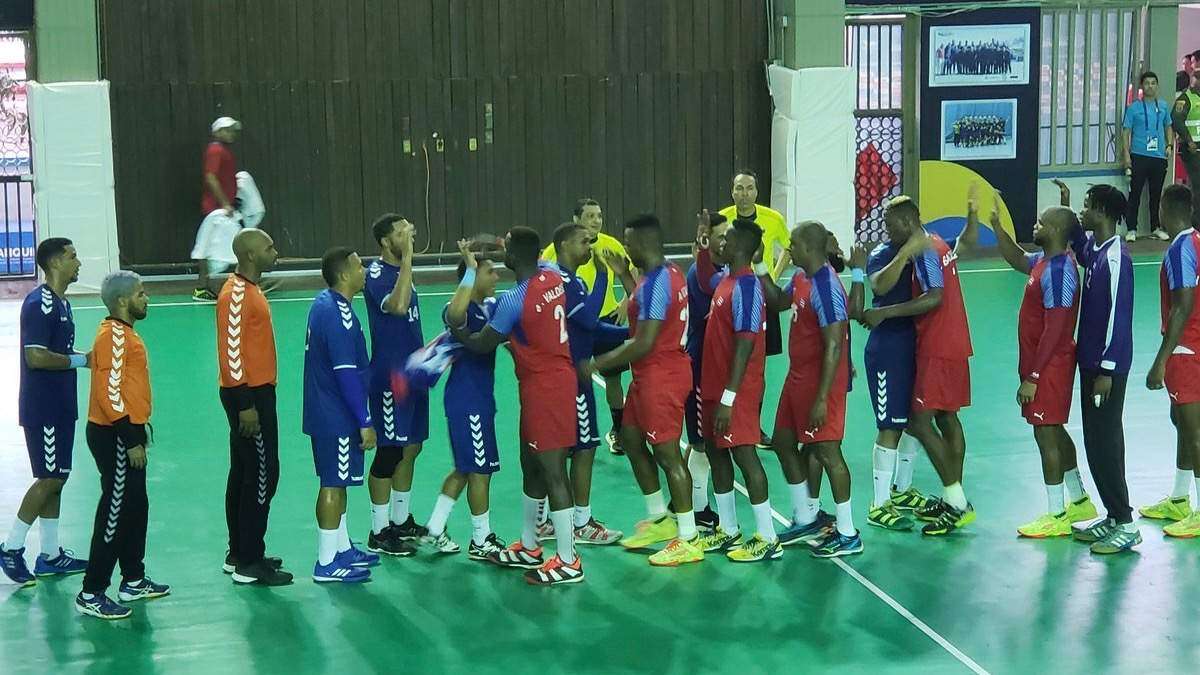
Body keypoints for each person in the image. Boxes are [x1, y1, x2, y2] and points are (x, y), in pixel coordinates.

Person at [452, 227, 583, 585]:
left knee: (553, 471)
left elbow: (481, 343)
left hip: (547, 388)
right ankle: (530, 546)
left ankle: (569, 560)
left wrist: (456, 329)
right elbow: (534, 256)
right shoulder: (552, 275)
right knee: (531, 464)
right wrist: (503, 243)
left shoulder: (513, 300)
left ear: (511, 257)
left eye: (505, 251)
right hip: (541, 384)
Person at [585, 214, 701, 566]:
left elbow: (643, 342)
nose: (625, 247)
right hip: (649, 375)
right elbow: (642, 308)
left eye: (629, 242)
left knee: (667, 455)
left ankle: (689, 538)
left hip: (661, 375)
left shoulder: (655, 284)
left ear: (645, 244)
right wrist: (624, 275)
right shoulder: (665, 273)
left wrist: (596, 364)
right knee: (632, 440)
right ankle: (660, 519)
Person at [861, 196, 976, 536]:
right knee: (947, 417)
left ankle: (957, 502)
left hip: (936, 345)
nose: (886, 230)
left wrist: (884, 312)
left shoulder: (924, 249)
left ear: (908, 222)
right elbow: (964, 245)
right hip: (955, 341)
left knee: (919, 422)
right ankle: (951, 498)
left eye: (890, 224)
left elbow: (935, 296)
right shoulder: (936, 241)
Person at [992, 200, 1099, 537]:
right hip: (1042, 365)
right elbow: (1017, 258)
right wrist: (997, 227)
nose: (1035, 225)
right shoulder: (1044, 261)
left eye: (1041, 222)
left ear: (1054, 231)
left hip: (1050, 367)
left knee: (1045, 434)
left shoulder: (1060, 272)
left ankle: (1056, 514)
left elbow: (1056, 328)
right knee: (1054, 430)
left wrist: (1034, 377)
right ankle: (1079, 500)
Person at [762, 223, 864, 558]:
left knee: (828, 453)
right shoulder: (801, 277)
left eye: (793, 244)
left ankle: (848, 534)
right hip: (797, 377)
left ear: (809, 247)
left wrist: (822, 398)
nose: (789, 248)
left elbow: (834, 344)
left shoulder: (826, 287)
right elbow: (777, 301)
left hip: (821, 383)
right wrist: (759, 264)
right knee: (783, 442)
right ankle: (807, 517)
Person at [1050, 180, 1141, 553]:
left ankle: (1126, 523)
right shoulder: (1097, 250)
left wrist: (1106, 370)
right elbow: (1079, 243)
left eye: (1087, 205)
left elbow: (1120, 317)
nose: (1083, 211)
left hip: (1106, 369)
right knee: (1095, 441)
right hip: (1089, 364)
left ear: (1102, 212)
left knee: (1106, 443)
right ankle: (1113, 517)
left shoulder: (1117, 259)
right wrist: (1067, 205)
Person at [76, 272, 169, 619]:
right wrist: (130, 439)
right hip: (115, 435)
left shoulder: (126, 333)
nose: (146, 299)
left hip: (128, 431)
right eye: (140, 294)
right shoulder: (113, 336)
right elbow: (108, 393)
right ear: (122, 301)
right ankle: (91, 591)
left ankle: (133, 579)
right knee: (115, 510)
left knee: (136, 506)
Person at [0, 239, 90, 587]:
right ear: (54, 263)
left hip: (62, 405)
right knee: (49, 478)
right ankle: (11, 547)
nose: (78, 262)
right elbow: (35, 356)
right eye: (72, 256)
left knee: (58, 478)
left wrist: (85, 358)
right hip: (44, 409)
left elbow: (58, 350)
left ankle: (50, 556)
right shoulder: (40, 304)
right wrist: (81, 361)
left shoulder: (63, 303)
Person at [694, 219, 781, 562]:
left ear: (742, 247)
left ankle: (768, 537)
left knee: (745, 456)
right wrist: (703, 245)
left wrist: (729, 398)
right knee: (717, 453)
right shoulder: (726, 280)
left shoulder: (746, 287)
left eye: (726, 240)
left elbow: (745, 343)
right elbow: (704, 277)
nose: (721, 244)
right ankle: (729, 529)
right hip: (714, 386)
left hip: (737, 391)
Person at [535, 223, 625, 546]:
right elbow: (588, 318)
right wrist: (602, 274)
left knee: (562, 448)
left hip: (563, 375)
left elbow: (590, 328)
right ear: (563, 245)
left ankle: (546, 520)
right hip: (574, 377)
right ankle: (581, 522)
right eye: (584, 241)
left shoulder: (563, 279)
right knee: (584, 448)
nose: (590, 246)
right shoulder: (565, 281)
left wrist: (633, 334)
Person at [417, 240, 507, 559]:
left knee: (465, 469)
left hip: (478, 401)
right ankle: (481, 540)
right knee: (480, 470)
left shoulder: (490, 307)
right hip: (468, 403)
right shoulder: (459, 309)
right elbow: (454, 315)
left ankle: (434, 528)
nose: (496, 276)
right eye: (489, 272)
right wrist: (469, 271)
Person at [216, 229, 292, 585]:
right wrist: (245, 403)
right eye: (269, 247)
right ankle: (249, 561)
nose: (275, 252)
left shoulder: (250, 289)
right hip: (248, 395)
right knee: (263, 473)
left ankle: (240, 551)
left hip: (255, 392)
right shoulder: (235, 295)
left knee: (245, 473)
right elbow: (231, 352)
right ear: (249, 255)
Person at [303, 247, 380, 583]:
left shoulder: (326, 304)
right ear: (345, 274)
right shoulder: (338, 315)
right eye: (360, 265)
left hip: (325, 411)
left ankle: (342, 548)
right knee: (332, 484)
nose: (365, 270)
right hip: (337, 415)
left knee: (339, 480)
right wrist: (364, 420)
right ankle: (326, 562)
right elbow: (346, 373)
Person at [540, 199, 632, 456]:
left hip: (607, 320)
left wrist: (625, 304)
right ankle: (571, 433)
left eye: (599, 216)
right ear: (576, 219)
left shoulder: (610, 244)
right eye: (590, 216)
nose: (596, 221)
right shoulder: (555, 250)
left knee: (613, 380)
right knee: (572, 380)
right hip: (575, 325)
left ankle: (618, 430)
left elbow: (632, 273)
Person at [362, 214, 426, 556]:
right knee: (389, 452)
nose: (409, 236)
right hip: (390, 379)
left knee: (411, 447)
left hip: (414, 375)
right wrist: (409, 259)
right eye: (403, 233)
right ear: (386, 241)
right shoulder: (376, 275)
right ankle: (379, 530)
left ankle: (401, 520)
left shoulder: (401, 271)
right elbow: (398, 307)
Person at [719, 171, 790, 448]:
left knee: (757, 367)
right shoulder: (723, 218)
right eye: (739, 188)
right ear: (732, 192)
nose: (744, 193)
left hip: (762, 299)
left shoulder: (773, 219)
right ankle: (726, 414)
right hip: (732, 297)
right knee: (727, 358)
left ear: (757, 192)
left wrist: (773, 275)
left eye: (749, 188)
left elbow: (788, 248)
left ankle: (753, 425)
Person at [1147, 185, 1200, 538]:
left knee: (1194, 432)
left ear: (1164, 210)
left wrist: (1161, 360)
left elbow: (1182, 306)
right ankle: (1180, 498)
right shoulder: (1196, 241)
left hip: (1185, 349)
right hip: (1195, 346)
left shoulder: (1180, 248)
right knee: (1181, 422)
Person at [685, 211, 731, 533]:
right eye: (720, 236)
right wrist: (702, 247)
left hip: (718, 365)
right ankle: (699, 510)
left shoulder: (722, 268)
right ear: (707, 240)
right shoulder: (700, 273)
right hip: (701, 364)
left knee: (702, 439)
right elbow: (709, 283)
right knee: (701, 442)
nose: (726, 240)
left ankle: (685, 501)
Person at [1123, 72, 1175, 242]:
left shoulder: (1163, 106)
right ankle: (1131, 229)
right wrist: (1126, 156)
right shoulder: (1133, 108)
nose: (1150, 86)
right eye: (1147, 83)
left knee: (1156, 194)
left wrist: (1169, 145)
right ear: (1142, 86)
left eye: (1153, 83)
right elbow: (1126, 132)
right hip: (1139, 155)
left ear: (1157, 86)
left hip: (1158, 157)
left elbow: (1168, 126)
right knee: (1135, 194)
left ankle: (1155, 227)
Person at [195, 116, 242, 301]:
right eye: (227, 130)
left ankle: (206, 287)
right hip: (216, 210)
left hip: (221, 209)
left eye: (232, 130)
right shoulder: (216, 150)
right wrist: (224, 203)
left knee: (210, 247)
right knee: (207, 248)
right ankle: (202, 288)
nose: (231, 133)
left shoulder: (222, 150)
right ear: (217, 132)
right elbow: (211, 177)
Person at [1173, 69, 1200, 220]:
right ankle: (1195, 222)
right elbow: (1176, 120)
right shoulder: (1185, 99)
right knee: (1197, 187)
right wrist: (1189, 140)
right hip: (1192, 150)